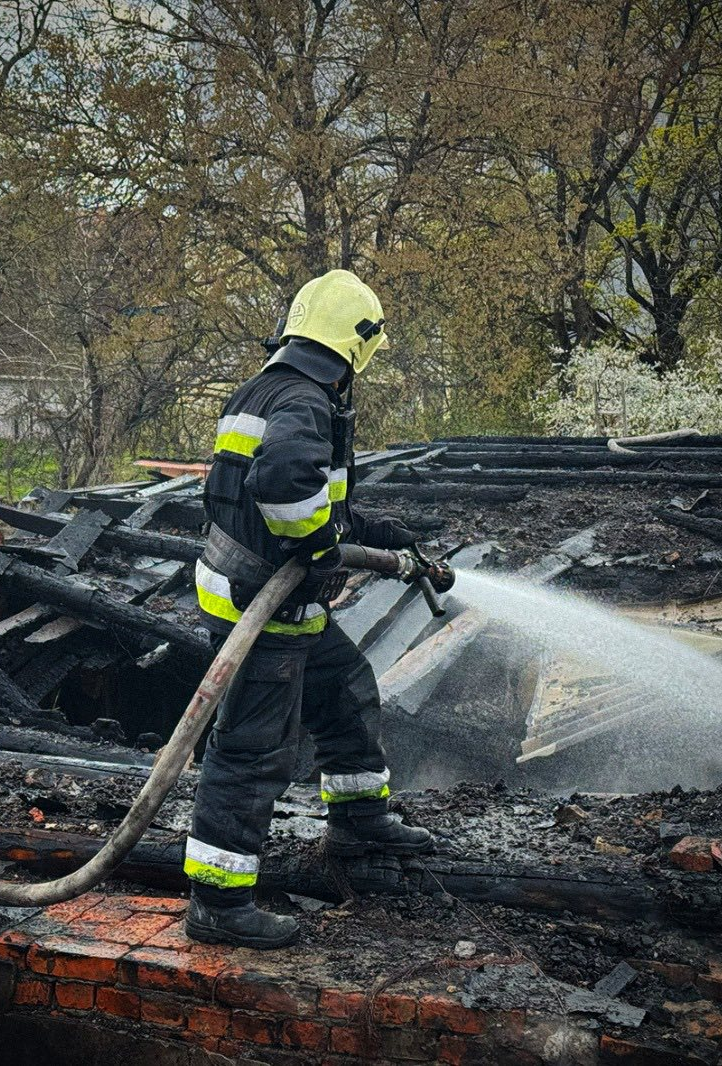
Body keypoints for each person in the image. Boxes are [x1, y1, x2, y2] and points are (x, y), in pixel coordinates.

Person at [183, 269, 434, 949]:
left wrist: (371, 531)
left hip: (258, 594)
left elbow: (295, 493)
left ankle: (357, 818)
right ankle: (218, 901)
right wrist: (323, 550)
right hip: (262, 606)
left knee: (345, 687)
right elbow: (285, 480)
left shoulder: (268, 388)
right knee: (254, 749)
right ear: (356, 346)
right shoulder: (307, 400)